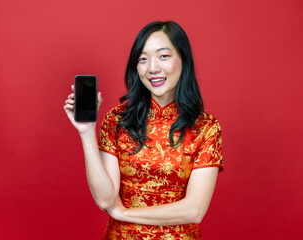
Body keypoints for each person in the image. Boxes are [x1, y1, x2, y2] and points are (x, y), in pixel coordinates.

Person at [63, 20, 223, 239]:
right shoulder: (118, 120)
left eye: (163, 56)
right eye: (143, 59)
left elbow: (194, 211)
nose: (152, 68)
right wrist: (86, 132)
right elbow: (105, 199)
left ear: (184, 60)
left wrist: (123, 213)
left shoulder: (206, 127)